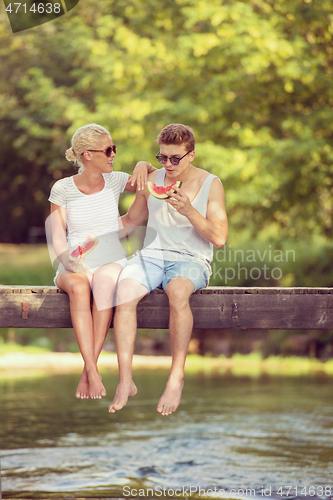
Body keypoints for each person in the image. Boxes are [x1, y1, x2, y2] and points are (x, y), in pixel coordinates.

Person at [109, 123, 228, 416]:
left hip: (191, 259)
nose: (169, 165)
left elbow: (219, 237)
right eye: (163, 158)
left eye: (176, 158)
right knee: (123, 292)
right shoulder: (151, 178)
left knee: (177, 291)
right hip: (152, 256)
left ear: (191, 155)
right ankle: (125, 379)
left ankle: (176, 377)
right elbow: (130, 221)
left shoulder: (212, 183)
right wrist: (88, 234)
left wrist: (189, 210)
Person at [47, 123, 155, 400]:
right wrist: (71, 264)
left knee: (106, 284)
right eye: (108, 150)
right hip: (72, 261)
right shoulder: (62, 189)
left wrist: (143, 163)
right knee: (81, 287)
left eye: (114, 149)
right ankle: (93, 371)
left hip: (109, 258)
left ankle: (88, 372)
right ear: (87, 155)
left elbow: (153, 180)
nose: (113, 155)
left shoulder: (117, 180)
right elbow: (58, 237)